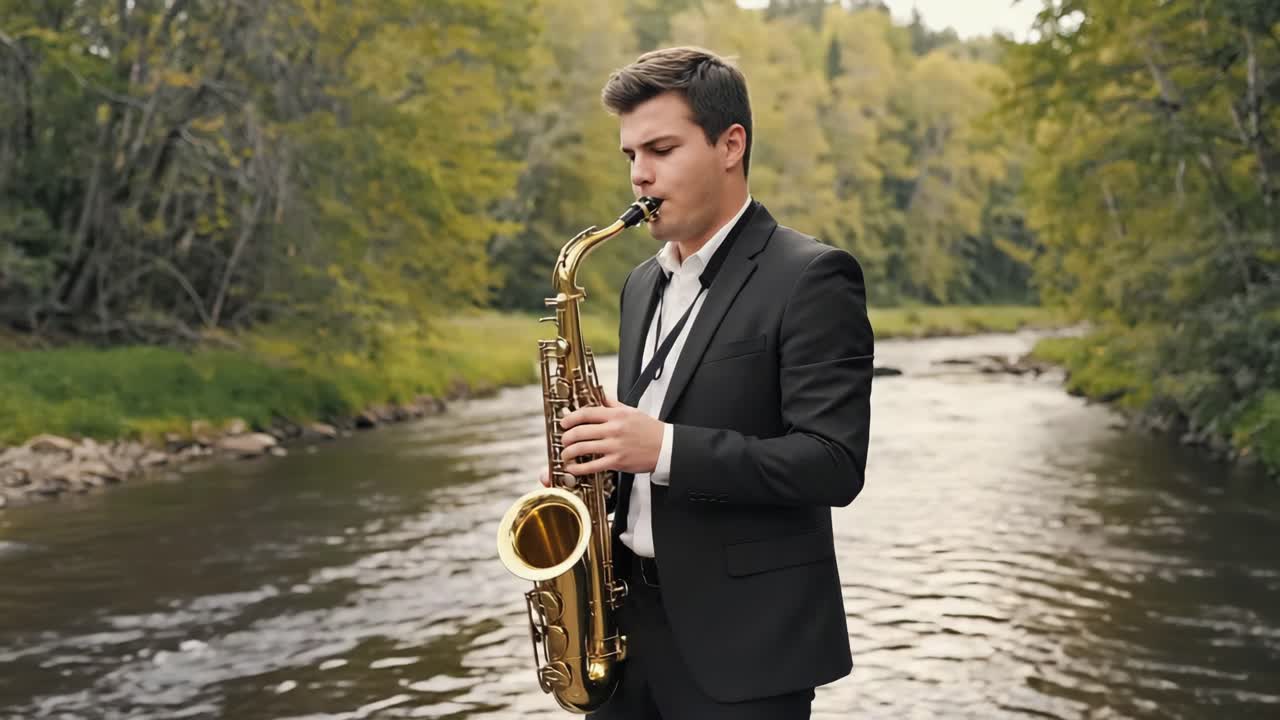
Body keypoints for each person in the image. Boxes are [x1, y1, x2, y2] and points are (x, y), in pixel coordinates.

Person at [542, 46, 874, 719]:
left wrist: (660, 448)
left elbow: (833, 465)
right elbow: (650, 436)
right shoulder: (641, 284)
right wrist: (597, 464)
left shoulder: (812, 276)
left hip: (744, 649)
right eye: (630, 156)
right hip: (624, 632)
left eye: (660, 149)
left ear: (730, 145)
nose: (639, 175)